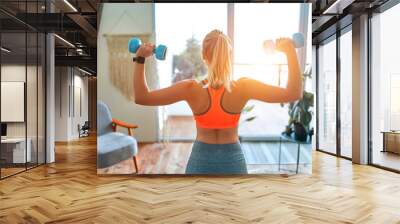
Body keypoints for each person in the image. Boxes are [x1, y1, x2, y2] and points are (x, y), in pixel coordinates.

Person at [133, 30, 302, 174]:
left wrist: (140, 58)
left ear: (203, 55)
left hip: (200, 162)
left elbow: (142, 97)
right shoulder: (244, 87)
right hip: (233, 162)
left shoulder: (190, 88)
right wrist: (289, 51)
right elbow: (293, 93)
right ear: (230, 55)